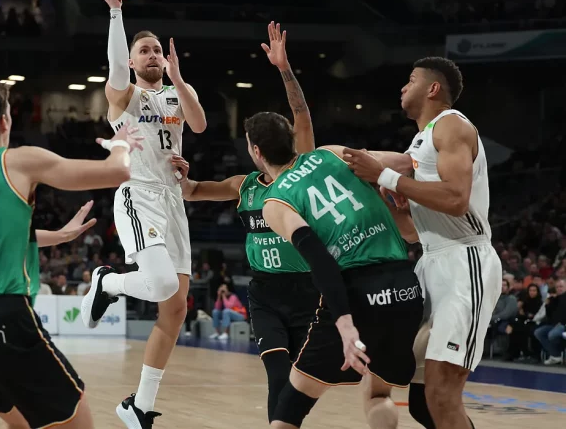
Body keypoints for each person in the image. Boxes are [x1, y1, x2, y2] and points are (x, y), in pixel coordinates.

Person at [0, 78, 143, 429]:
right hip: (2, 321)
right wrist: (119, 144)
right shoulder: (17, 160)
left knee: (24, 425)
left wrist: (60, 235)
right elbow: (117, 171)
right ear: (5, 120)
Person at [343, 56, 502, 429]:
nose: (402, 86)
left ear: (433, 89)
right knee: (420, 401)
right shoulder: (418, 146)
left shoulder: (451, 126)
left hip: (466, 262)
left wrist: (385, 175)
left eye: (410, 79)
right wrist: (381, 190)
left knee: (441, 394)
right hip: (430, 261)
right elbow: (412, 231)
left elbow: (456, 199)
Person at [173, 21, 321, 423]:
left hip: (308, 291)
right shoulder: (244, 185)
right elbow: (194, 191)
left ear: (256, 149)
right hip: (264, 294)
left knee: (298, 380)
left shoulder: (302, 172)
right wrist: (179, 174)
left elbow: (302, 113)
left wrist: (284, 68)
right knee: (278, 377)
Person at [240, 112, 424, 429]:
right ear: (291, 140)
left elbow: (319, 258)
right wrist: (395, 192)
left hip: (357, 292)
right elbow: (407, 162)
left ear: (256, 151)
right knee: (378, 392)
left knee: (288, 407)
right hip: (404, 286)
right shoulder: (332, 152)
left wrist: (345, 323)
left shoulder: (275, 200)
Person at [83, 0, 207, 429]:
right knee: (158, 286)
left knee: (175, 307)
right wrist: (116, 12)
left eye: (157, 49)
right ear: (133, 62)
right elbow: (115, 72)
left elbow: (198, 125)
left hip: (174, 202)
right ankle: (108, 283)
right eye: (145, 51)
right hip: (138, 195)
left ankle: (139, 405)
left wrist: (179, 78)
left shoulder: (176, 93)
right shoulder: (124, 98)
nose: (153, 55)